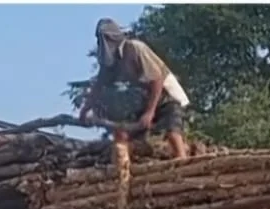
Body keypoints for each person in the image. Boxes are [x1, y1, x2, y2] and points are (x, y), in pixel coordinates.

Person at [81, 18, 190, 159]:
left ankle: (182, 161)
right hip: (143, 98)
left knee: (172, 132)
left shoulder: (135, 48)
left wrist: (149, 113)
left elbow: (157, 79)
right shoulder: (109, 60)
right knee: (123, 135)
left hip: (165, 95)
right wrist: (85, 109)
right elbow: (99, 85)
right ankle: (124, 170)